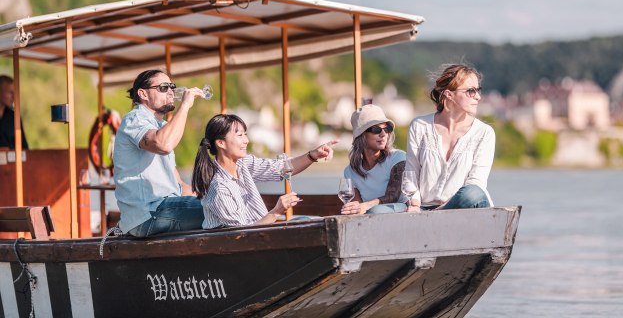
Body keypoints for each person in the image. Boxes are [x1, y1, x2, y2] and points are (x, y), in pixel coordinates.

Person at [193, 113, 336, 228]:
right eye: (240, 135)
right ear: (220, 143)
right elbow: (241, 235)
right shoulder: (218, 186)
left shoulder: (243, 163)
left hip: (258, 238)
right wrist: (276, 212)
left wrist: (313, 155)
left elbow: (281, 168)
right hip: (235, 251)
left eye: (245, 134)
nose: (246, 140)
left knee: (306, 222)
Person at [113, 69, 206, 237]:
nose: (171, 92)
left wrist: (207, 194)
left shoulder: (161, 126)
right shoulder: (134, 118)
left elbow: (178, 184)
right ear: (143, 94)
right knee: (218, 210)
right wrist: (185, 105)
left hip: (165, 208)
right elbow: (164, 144)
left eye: (172, 86)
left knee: (218, 204)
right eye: (164, 87)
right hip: (148, 213)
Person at [404, 64, 495, 212]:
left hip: (464, 205)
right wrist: (414, 203)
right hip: (422, 207)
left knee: (472, 193)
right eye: (471, 91)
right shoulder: (419, 126)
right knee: (376, 212)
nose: (478, 97)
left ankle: (435, 215)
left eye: (478, 90)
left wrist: (437, 212)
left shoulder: (484, 133)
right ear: (449, 94)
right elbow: (411, 173)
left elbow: (476, 183)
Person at [340, 104, 407, 215]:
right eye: (376, 129)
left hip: (400, 213)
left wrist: (366, 206)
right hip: (370, 216)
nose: (383, 134)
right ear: (361, 135)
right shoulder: (350, 171)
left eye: (387, 129)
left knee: (375, 211)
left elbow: (393, 196)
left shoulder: (398, 158)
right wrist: (353, 208)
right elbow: (357, 204)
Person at [0, 75, 28, 149]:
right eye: (10, 92)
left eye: (14, 93)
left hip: (14, 159)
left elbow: (24, 147)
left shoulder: (14, 117)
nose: (14, 97)